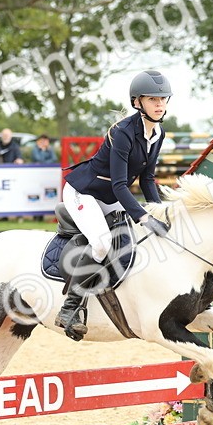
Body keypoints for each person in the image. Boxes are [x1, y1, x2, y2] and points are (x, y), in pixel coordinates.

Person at [56, 70, 174, 340]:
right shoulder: (122, 133)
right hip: (83, 193)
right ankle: (70, 307)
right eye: (153, 99)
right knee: (101, 244)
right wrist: (145, 218)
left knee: (133, 238)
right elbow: (121, 184)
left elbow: (147, 178)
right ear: (137, 102)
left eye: (163, 99)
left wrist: (159, 212)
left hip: (109, 197)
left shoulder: (158, 134)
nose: (160, 104)